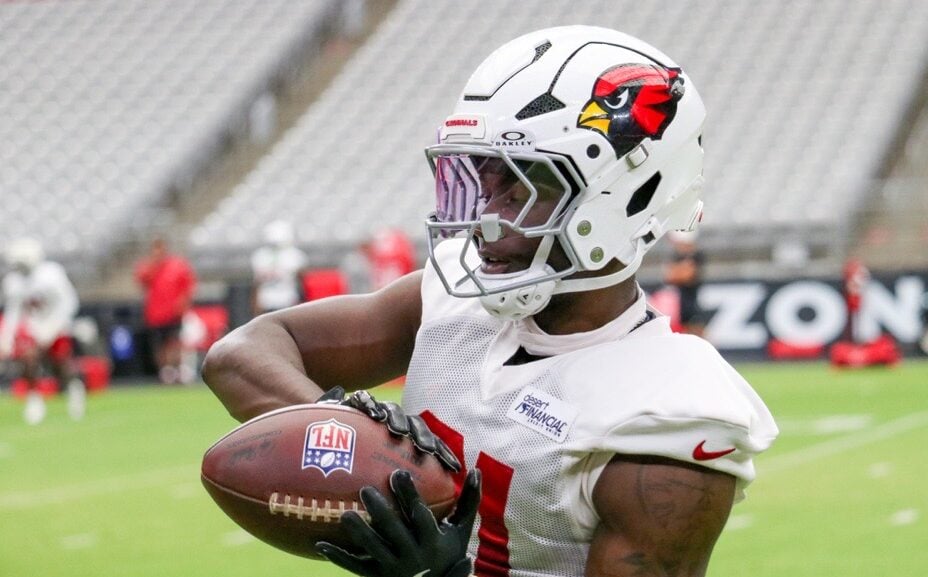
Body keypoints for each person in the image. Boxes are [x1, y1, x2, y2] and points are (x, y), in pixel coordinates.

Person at [203, 25, 777, 577]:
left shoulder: (664, 415)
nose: (484, 217)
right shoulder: (450, 300)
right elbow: (241, 354)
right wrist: (342, 431)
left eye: (523, 185)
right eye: (481, 179)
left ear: (625, 196)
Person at [0, 238, 85, 424]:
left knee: (60, 364)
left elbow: (69, 303)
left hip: (56, 322)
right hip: (33, 325)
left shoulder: (52, 274)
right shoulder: (13, 282)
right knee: (27, 359)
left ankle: (73, 389)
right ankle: (34, 398)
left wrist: (53, 328)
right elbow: (14, 311)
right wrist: (6, 338)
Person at [135, 237, 196, 384]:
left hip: (173, 314)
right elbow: (142, 280)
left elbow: (188, 286)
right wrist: (153, 265)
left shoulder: (177, 266)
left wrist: (182, 304)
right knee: (160, 345)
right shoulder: (149, 266)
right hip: (155, 315)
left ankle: (178, 371)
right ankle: (165, 372)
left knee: (174, 343)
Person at [251, 220, 308, 315]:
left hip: (287, 300)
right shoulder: (260, 256)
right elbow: (257, 284)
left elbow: (301, 282)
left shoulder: (294, 255)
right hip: (267, 301)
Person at [663, 230, 707, 336]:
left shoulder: (696, 256)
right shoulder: (677, 256)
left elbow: (686, 276)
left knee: (697, 331)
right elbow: (669, 277)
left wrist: (678, 271)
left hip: (691, 304)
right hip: (679, 305)